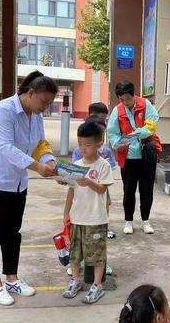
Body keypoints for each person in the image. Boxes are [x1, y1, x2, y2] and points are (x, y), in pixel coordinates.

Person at [0, 70, 58, 306]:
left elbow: (41, 144)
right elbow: (6, 148)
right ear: (31, 92)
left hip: (18, 182)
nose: (46, 107)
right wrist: (38, 167)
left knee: (13, 232)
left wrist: (49, 160)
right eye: (44, 102)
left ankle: (12, 278)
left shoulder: (36, 116)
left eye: (49, 104)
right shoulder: (4, 110)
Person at [63, 120, 114, 304]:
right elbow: (71, 190)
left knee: (97, 254)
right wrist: (66, 213)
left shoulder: (103, 166)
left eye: (88, 145)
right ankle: (75, 280)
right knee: (75, 253)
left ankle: (97, 285)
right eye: (80, 144)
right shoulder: (76, 164)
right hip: (77, 217)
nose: (83, 148)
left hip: (96, 218)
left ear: (99, 144)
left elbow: (102, 190)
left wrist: (90, 182)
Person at [108, 81, 161, 235]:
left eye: (128, 99)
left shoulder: (145, 105)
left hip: (146, 155)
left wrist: (135, 134)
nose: (125, 102)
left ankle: (146, 221)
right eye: (122, 99)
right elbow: (112, 133)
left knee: (147, 190)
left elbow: (151, 126)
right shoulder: (117, 111)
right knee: (128, 191)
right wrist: (119, 143)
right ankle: (128, 221)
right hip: (129, 157)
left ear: (133, 95)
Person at [72, 102, 117, 242]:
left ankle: (103, 231)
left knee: (101, 217)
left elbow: (110, 169)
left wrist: (103, 162)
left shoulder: (106, 152)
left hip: (99, 190)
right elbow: (75, 172)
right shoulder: (79, 151)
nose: (102, 138)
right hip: (82, 194)